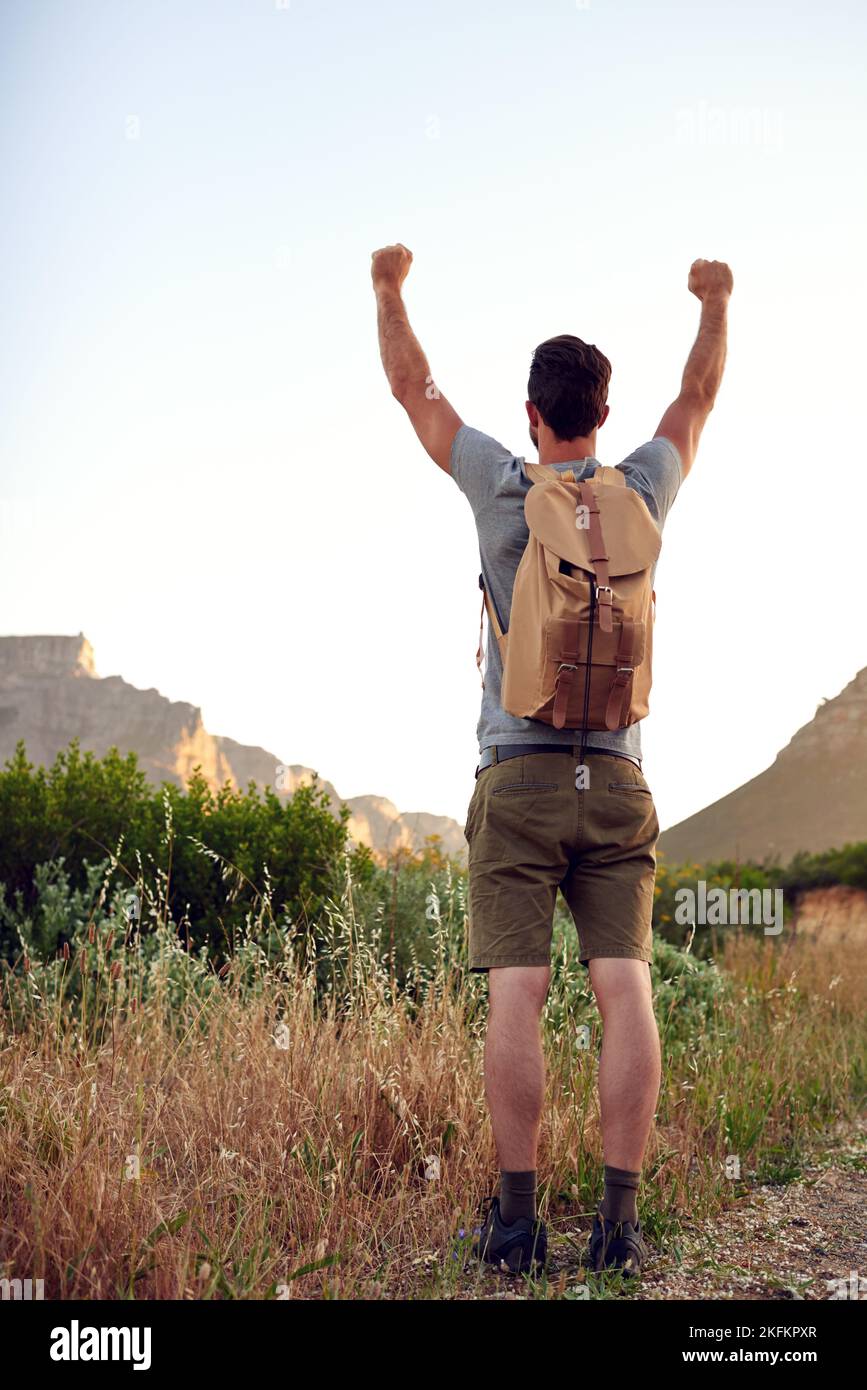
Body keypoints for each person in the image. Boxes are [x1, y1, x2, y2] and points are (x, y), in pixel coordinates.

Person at [371, 244, 732, 1275]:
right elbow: (699, 395)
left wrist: (392, 288)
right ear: (601, 415)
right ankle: (617, 1228)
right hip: (618, 780)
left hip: (517, 778)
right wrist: (714, 300)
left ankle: (518, 1225)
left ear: (532, 413)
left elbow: (413, 389)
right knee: (627, 989)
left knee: (516, 993)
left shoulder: (499, 481)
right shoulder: (645, 483)